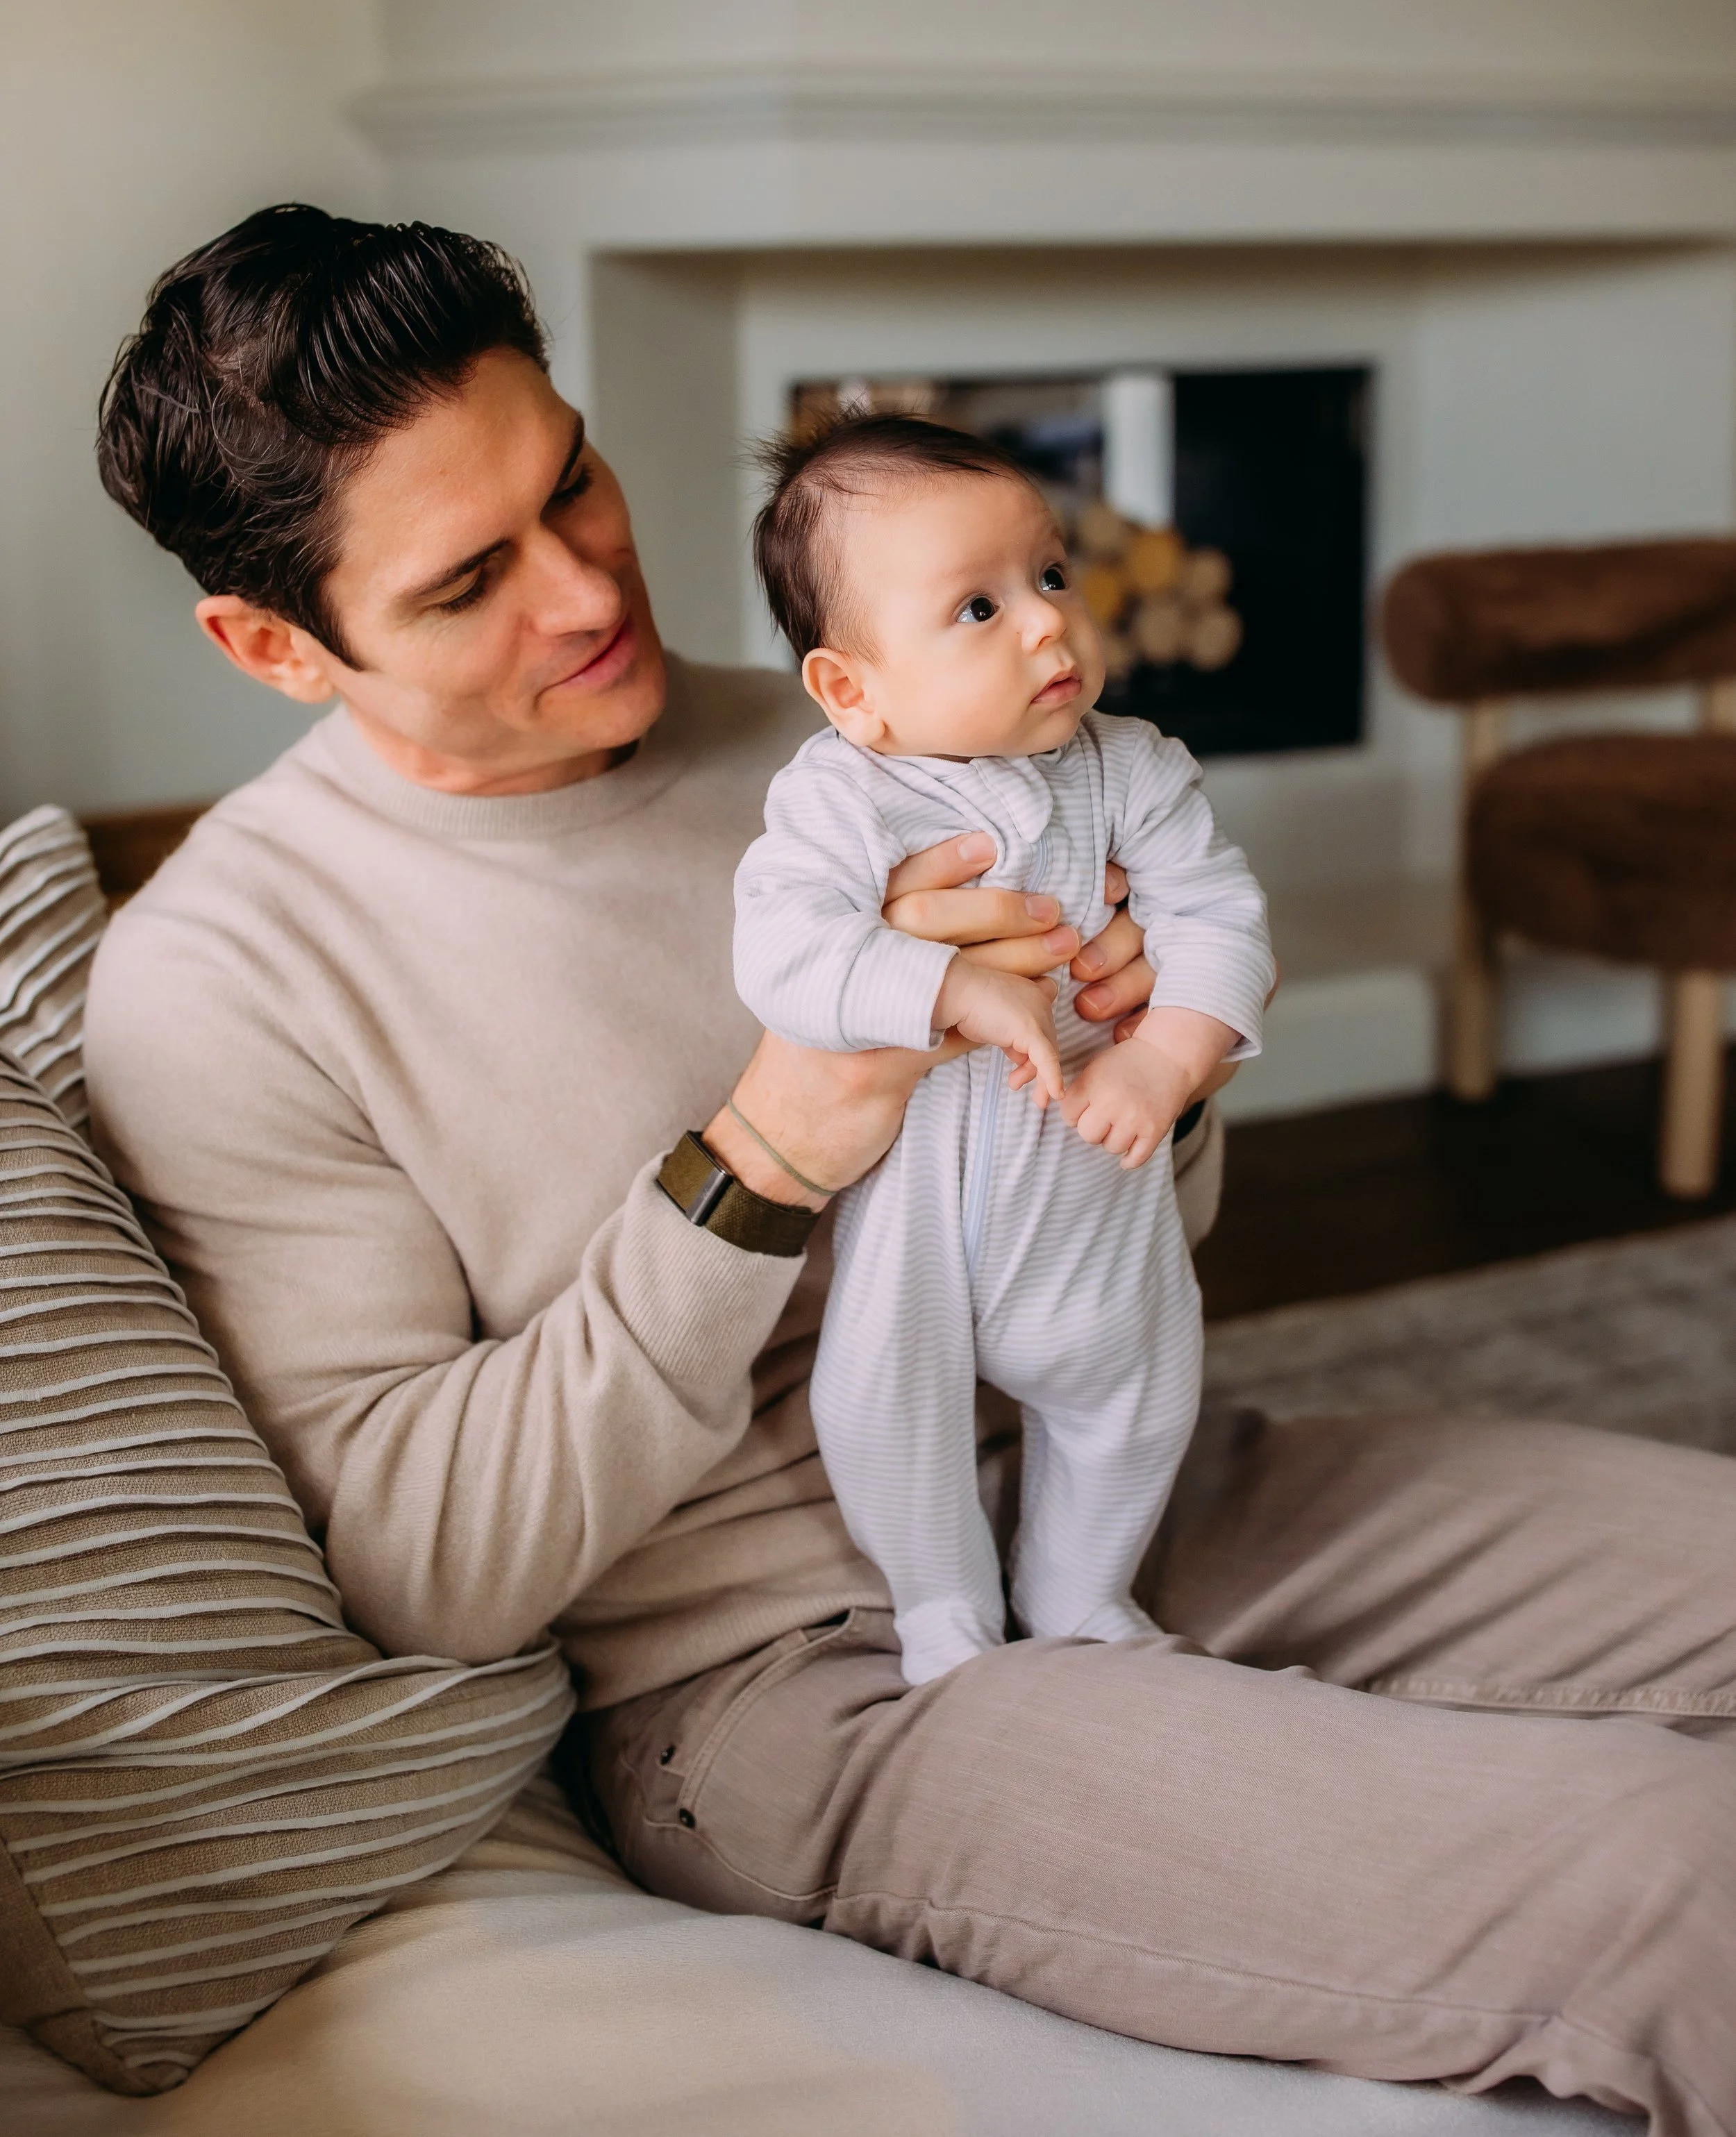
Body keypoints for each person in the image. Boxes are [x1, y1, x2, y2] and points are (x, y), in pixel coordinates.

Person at [86, 206, 1736, 2136]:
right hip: (795, 1672)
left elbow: (1129, 1208)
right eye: (467, 580)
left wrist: (1147, 1074)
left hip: (1135, 1460)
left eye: (576, 483)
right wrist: (761, 1155)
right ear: (274, 642)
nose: (584, 589)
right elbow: (433, 1570)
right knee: (1677, 1871)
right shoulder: (221, 979)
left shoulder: (874, 723)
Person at [734, 412, 1273, 1682]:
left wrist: (1167, 1062)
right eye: (976, 608)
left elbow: (1221, 917)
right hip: (916, 1205)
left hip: (1087, 1160)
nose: (1045, 622)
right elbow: (783, 953)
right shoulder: (839, 797)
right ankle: (942, 1604)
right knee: (882, 1410)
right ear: (850, 689)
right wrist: (944, 988)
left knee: (1137, 1392)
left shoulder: (1130, 766)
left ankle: (1082, 1591)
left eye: (1047, 576)